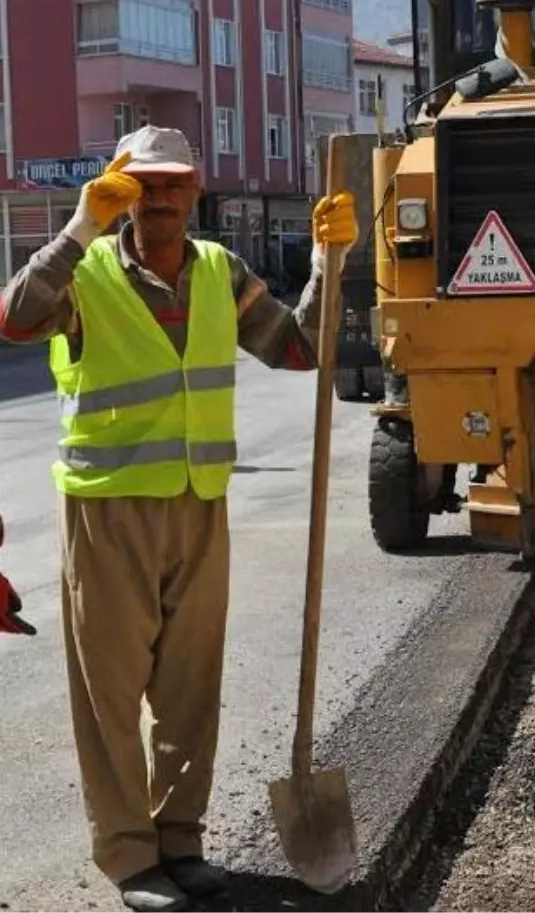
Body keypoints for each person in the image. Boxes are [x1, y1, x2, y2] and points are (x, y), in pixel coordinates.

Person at [0, 125, 357, 913]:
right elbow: (16, 321)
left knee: (190, 690)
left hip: (199, 505)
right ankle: (130, 858)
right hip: (109, 511)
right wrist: (78, 225)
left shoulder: (222, 274)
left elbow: (298, 351)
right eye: (141, 182)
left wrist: (331, 265)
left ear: (195, 189)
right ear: (118, 187)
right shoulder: (86, 271)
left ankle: (180, 841)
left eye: (172, 182)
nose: (158, 196)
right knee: (112, 697)